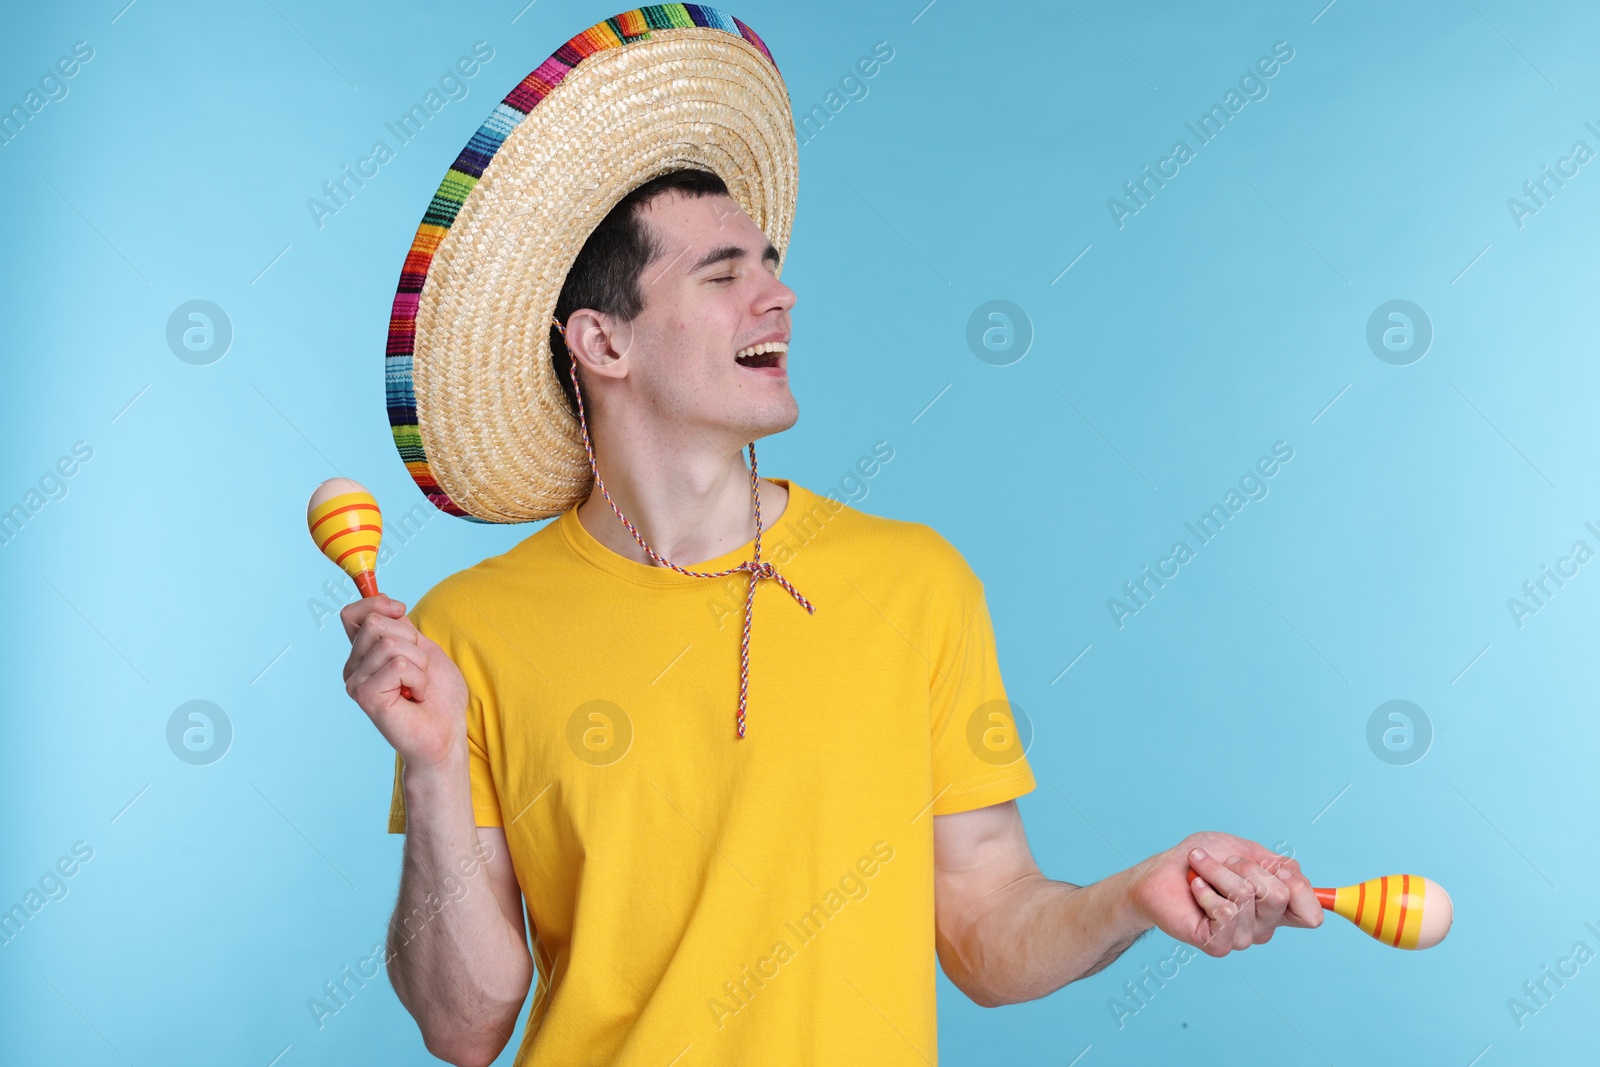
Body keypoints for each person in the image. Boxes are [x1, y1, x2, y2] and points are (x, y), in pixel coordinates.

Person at [340, 8, 1322, 1066]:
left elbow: (986, 930)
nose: (780, 293)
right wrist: (436, 768)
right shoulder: (470, 630)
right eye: (722, 276)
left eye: (768, 260)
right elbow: (463, 1024)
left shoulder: (914, 583)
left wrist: (1135, 894)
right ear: (603, 341)